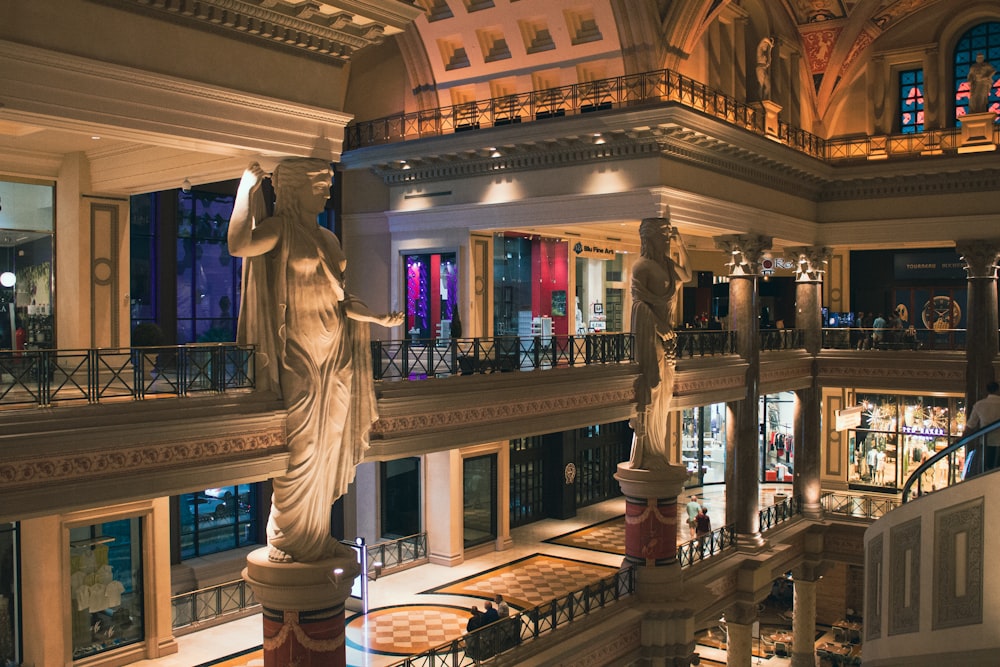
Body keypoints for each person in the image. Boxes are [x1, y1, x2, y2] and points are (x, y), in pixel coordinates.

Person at [228, 159, 403, 563]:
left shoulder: (328, 238)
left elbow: (343, 300)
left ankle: (317, 531)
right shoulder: (279, 229)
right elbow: (238, 245)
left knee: (330, 443)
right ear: (293, 188)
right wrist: (245, 191)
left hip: (336, 354)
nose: (326, 190)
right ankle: (288, 537)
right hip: (300, 355)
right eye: (319, 183)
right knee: (303, 447)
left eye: (327, 182)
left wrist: (376, 317)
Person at [628, 214, 692, 470]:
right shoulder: (641, 267)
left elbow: (686, 274)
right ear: (649, 237)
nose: (666, 241)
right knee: (654, 385)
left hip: (667, 335)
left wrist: (681, 243)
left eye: (668, 236)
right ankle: (647, 449)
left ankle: (656, 448)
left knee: (666, 390)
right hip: (652, 335)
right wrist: (658, 325)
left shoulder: (667, 263)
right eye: (662, 236)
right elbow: (638, 305)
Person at [964, 380, 1000, 470]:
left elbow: (970, 425)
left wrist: (962, 438)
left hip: (986, 441)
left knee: (986, 469)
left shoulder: (979, 404)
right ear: (998, 390)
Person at [756, 37, 775, 101]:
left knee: (768, 86)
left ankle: (764, 99)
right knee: (760, 85)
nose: (766, 47)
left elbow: (769, 61)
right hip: (760, 69)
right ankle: (759, 99)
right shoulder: (759, 49)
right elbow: (764, 39)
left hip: (764, 69)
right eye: (766, 45)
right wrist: (770, 44)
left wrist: (770, 49)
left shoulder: (765, 53)